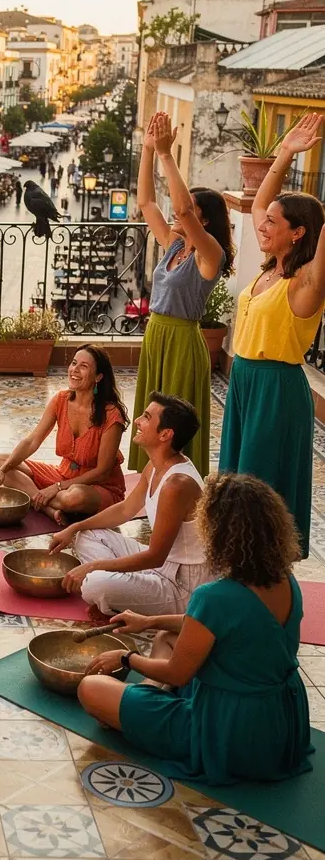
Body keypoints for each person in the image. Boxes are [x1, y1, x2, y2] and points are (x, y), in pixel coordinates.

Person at [78, 472, 312, 786]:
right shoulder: (287, 581)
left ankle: (144, 703)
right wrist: (151, 621)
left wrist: (125, 658)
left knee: (90, 690)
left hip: (228, 733)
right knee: (166, 635)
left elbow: (178, 674)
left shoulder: (215, 596)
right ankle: (146, 697)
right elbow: (227, 628)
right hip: (283, 723)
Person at [219, 112, 325, 557]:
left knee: (260, 484)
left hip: (276, 389)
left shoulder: (304, 284)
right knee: (235, 478)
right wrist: (284, 152)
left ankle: (261, 569)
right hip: (243, 381)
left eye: (273, 223)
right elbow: (259, 202)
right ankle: (236, 559)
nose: (261, 225)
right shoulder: (268, 271)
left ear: (298, 233)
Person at [130, 113, 234, 477]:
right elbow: (146, 203)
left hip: (181, 341)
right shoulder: (176, 246)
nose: (178, 207)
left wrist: (166, 155)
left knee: (170, 426)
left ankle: (176, 487)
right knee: (150, 419)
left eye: (190, 209)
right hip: (157, 335)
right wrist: (147, 150)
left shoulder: (210, 256)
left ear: (203, 221)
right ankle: (148, 485)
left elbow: (180, 208)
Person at [50, 393, 209, 617]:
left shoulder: (177, 484)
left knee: (95, 584)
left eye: (146, 417)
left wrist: (93, 566)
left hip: (182, 585)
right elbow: (126, 510)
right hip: (161, 566)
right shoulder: (156, 465)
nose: (137, 421)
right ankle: (124, 586)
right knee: (87, 534)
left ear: (165, 434)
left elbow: (155, 556)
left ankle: (114, 587)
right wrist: (74, 527)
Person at [0, 346, 128, 524]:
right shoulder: (61, 399)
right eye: (74, 363)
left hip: (98, 486)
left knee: (73, 498)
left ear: (98, 377)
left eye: (83, 366)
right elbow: (32, 441)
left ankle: (39, 497)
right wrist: (1, 471)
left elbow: (102, 472)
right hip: (64, 475)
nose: (74, 370)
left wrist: (57, 487)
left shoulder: (111, 415)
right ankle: (46, 507)